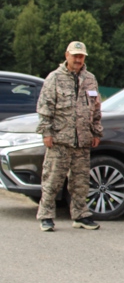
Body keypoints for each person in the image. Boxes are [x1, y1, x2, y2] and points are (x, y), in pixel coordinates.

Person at [35, 41, 103, 231]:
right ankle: (46, 216)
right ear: (67, 55)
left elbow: (96, 108)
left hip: (82, 140)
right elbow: (45, 107)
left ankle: (81, 214)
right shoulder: (54, 78)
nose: (78, 60)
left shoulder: (90, 79)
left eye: (81, 57)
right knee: (52, 180)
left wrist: (96, 131)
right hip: (59, 139)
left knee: (80, 181)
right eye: (75, 56)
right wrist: (46, 132)